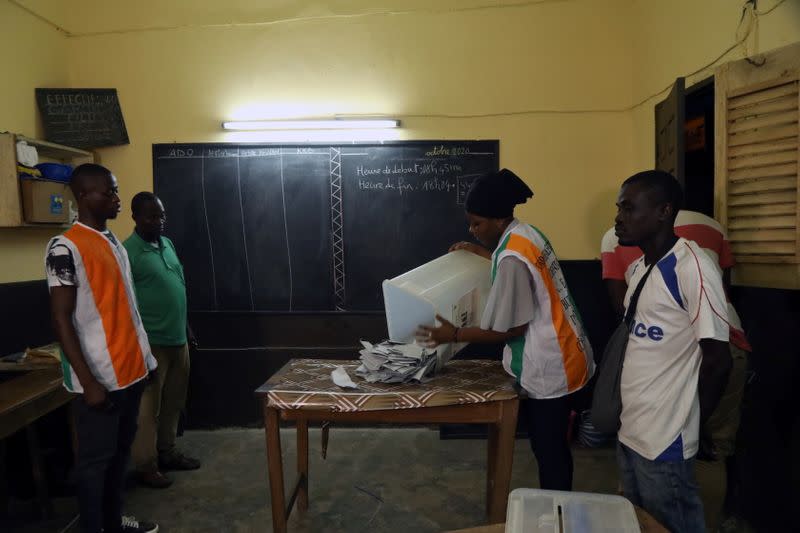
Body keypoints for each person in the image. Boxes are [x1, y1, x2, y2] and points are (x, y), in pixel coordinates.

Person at [417, 168, 594, 491]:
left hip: (548, 364)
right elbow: (512, 262)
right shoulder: (526, 233)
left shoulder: (512, 255)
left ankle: (556, 509)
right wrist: (481, 253)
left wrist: (453, 335)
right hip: (570, 349)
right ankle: (558, 504)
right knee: (555, 447)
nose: (471, 230)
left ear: (499, 220)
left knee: (549, 451)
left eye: (477, 223)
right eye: (469, 222)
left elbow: (508, 329)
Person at [601, 208, 750, 524]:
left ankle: (707, 521)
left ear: (662, 212)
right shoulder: (645, 263)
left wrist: (690, 420)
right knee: (651, 502)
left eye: (629, 207)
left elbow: (716, 358)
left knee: (702, 457)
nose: (617, 218)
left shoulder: (689, 265)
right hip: (648, 411)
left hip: (712, 349)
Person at [46, 164, 158, 533]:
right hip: (100, 380)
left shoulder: (112, 241)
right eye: (107, 192)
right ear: (83, 197)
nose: (116, 198)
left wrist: (147, 359)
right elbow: (62, 320)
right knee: (95, 465)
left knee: (118, 458)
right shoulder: (65, 246)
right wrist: (89, 382)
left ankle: (113, 522)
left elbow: (127, 309)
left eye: (115, 190)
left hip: (131, 372)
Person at [125, 192, 201, 489]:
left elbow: (177, 287)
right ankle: (146, 465)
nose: (159, 222)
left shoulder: (166, 244)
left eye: (161, 215)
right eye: (151, 216)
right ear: (135, 217)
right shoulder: (128, 252)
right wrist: (138, 346)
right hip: (151, 343)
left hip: (178, 339)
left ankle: (167, 452)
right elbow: (126, 303)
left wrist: (186, 326)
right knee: (148, 408)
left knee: (173, 402)